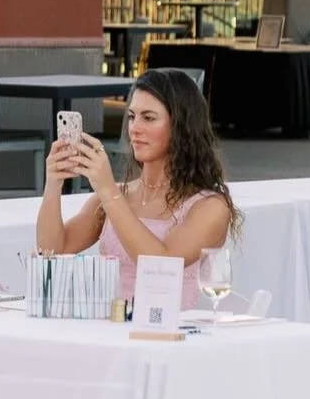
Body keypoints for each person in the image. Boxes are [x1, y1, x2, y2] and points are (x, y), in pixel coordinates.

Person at [33, 68, 237, 309]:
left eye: (148, 118)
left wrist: (108, 191)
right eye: (131, 117)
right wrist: (53, 184)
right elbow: (51, 252)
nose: (134, 129)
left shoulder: (209, 206)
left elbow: (160, 265)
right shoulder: (115, 196)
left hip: (166, 336)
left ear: (181, 126)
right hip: (107, 330)